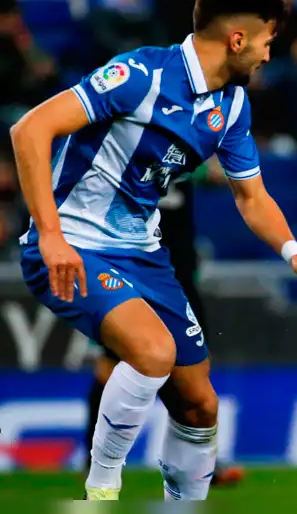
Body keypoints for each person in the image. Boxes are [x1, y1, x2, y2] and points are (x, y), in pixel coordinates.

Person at [11, 0, 297, 501]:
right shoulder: (139, 74)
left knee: (200, 406)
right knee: (153, 352)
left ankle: (182, 508)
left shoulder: (231, 107)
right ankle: (100, 491)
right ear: (237, 39)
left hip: (146, 255)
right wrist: (50, 235)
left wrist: (294, 252)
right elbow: (29, 130)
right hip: (75, 244)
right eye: (267, 43)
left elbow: (251, 197)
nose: (268, 57)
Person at [83, 177, 244, 488]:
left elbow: (211, 168)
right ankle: (94, 458)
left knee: (193, 371)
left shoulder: (183, 147)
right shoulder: (125, 154)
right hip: (131, 271)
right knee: (110, 366)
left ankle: (201, 462)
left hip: (179, 274)